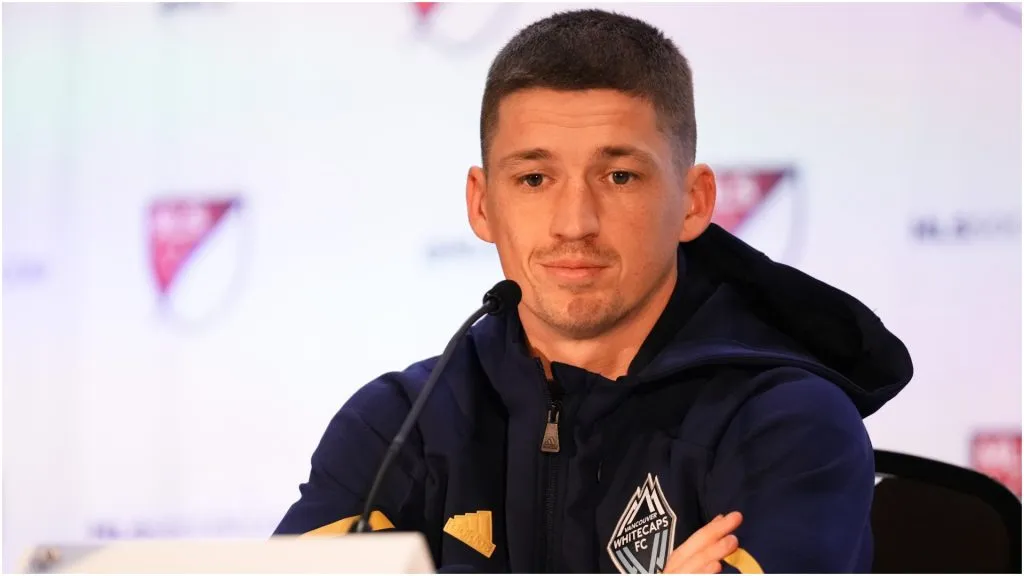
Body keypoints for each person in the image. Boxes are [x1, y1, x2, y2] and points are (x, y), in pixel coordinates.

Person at [274, 8, 913, 574]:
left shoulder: (790, 425)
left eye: (619, 175)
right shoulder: (398, 427)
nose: (574, 222)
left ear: (694, 203)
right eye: (533, 178)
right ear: (481, 204)